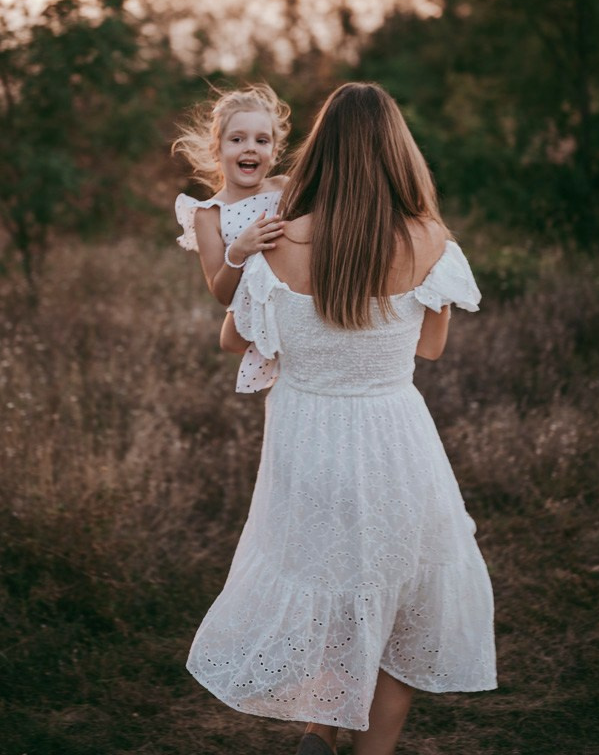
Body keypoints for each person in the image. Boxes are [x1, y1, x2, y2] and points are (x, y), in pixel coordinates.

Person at [186, 82, 496, 755]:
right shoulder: (430, 239)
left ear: (317, 151)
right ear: (398, 153)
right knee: (401, 596)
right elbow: (432, 347)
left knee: (331, 588)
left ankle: (320, 733)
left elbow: (235, 340)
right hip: (394, 436)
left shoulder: (275, 238)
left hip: (307, 437)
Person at [173, 84, 291, 391]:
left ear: (274, 151)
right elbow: (222, 294)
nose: (250, 147)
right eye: (237, 139)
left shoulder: (285, 189)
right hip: (258, 321)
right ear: (218, 149)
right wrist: (238, 251)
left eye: (261, 140)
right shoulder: (209, 215)